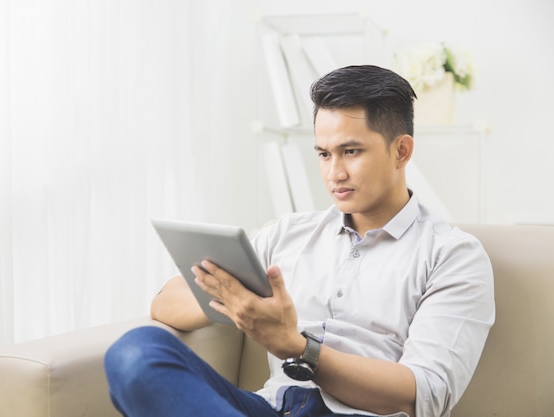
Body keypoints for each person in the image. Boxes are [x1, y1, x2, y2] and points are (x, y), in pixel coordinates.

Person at [104, 65, 495, 417]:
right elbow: (163, 303)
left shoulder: (452, 255)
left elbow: (422, 394)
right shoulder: (288, 234)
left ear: (401, 151)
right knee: (136, 352)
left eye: (351, 151)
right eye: (324, 154)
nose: (334, 173)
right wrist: (239, 303)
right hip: (273, 408)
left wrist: (295, 345)